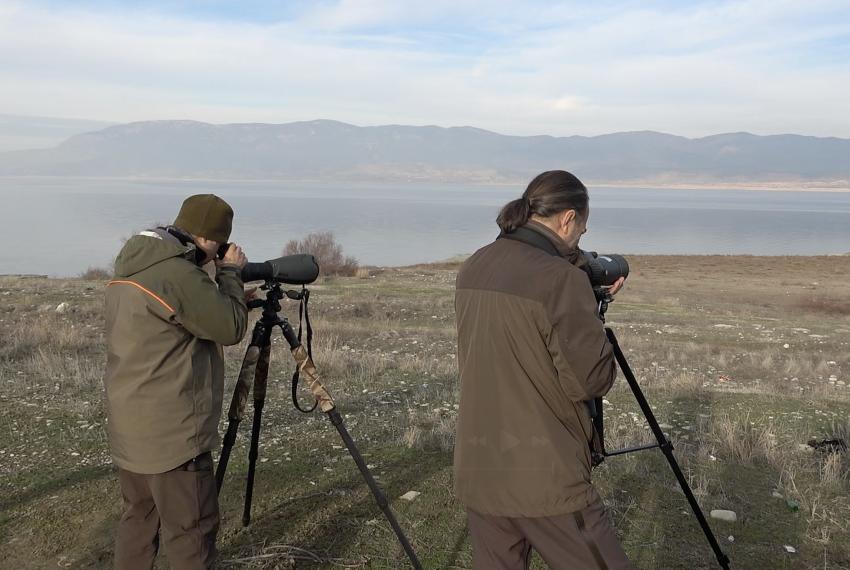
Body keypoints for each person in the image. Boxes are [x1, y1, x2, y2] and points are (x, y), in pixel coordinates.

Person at [454, 170, 632, 569]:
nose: (579, 242)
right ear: (568, 218)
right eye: (581, 233)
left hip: (481, 467)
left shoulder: (475, 265)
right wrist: (591, 311)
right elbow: (592, 380)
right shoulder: (560, 282)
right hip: (545, 475)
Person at [103, 194, 249, 569]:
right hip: (173, 437)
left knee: (138, 520)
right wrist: (230, 274)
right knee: (191, 533)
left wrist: (218, 296)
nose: (218, 253)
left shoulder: (136, 263)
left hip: (132, 428)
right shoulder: (180, 274)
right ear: (208, 238)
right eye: (219, 245)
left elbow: (174, 319)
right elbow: (230, 328)